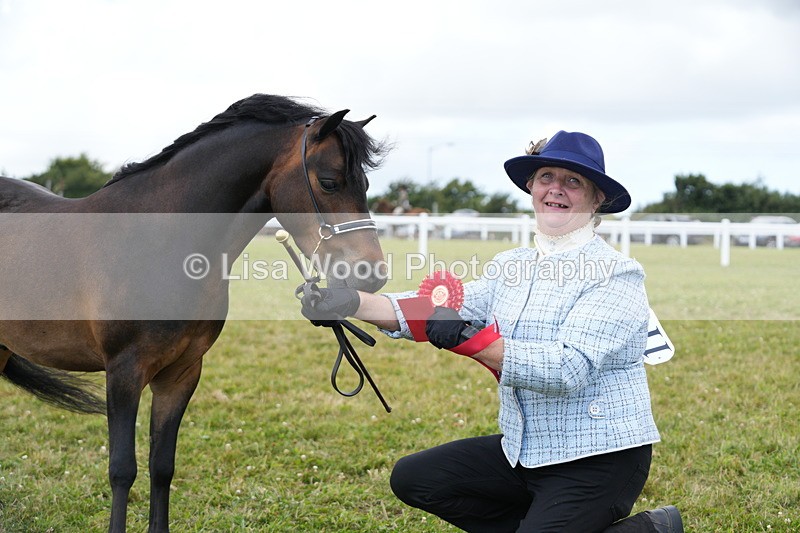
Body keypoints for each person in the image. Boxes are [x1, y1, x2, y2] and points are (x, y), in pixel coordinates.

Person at [300, 131, 683, 532]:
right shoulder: (510, 265)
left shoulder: (617, 274)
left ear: (596, 197)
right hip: (523, 452)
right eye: (546, 177)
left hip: (598, 460)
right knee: (415, 478)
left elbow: (566, 369)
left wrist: (468, 338)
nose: (556, 189)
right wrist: (349, 301)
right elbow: (434, 308)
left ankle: (649, 529)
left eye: (573, 181)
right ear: (532, 187)